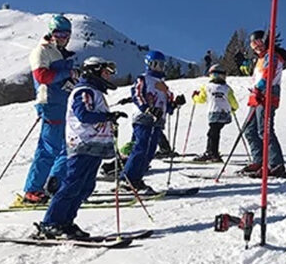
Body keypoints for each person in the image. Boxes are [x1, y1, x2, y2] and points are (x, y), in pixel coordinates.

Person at [33, 57, 125, 239]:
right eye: (105, 73)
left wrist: (109, 121)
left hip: (94, 146)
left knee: (85, 186)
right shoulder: (84, 91)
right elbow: (83, 114)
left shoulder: (95, 92)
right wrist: (106, 117)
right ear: (94, 72)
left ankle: (65, 221)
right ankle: (50, 223)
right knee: (72, 185)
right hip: (82, 145)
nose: (108, 77)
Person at [21, 14, 77, 204]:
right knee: (48, 149)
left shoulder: (62, 53)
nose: (62, 37)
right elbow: (41, 76)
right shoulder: (42, 51)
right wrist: (66, 73)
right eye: (58, 33)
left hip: (64, 104)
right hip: (50, 104)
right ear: (51, 33)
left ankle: (55, 184)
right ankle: (32, 190)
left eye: (65, 34)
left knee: (67, 148)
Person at [121, 50, 186, 192]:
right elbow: (137, 95)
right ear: (149, 64)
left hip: (158, 121)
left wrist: (176, 103)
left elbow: (167, 106)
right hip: (144, 118)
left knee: (150, 151)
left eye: (162, 65)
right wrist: (147, 109)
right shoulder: (143, 79)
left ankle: (136, 179)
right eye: (156, 64)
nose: (159, 68)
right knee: (141, 147)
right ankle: (127, 179)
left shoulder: (163, 85)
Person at [237, 30, 286, 178]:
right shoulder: (260, 59)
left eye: (259, 43)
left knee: (265, 130)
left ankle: (276, 164)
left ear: (266, 41)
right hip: (257, 96)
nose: (257, 47)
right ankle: (259, 160)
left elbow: (269, 73)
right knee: (249, 130)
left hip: (267, 94)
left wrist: (259, 87)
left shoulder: (272, 55)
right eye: (253, 45)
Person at [191, 65, 239, 163]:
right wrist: (233, 108)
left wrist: (194, 97)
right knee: (214, 132)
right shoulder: (227, 88)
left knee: (213, 133)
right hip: (224, 114)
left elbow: (201, 99)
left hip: (214, 113)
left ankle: (212, 153)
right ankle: (212, 152)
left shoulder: (207, 87)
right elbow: (233, 102)